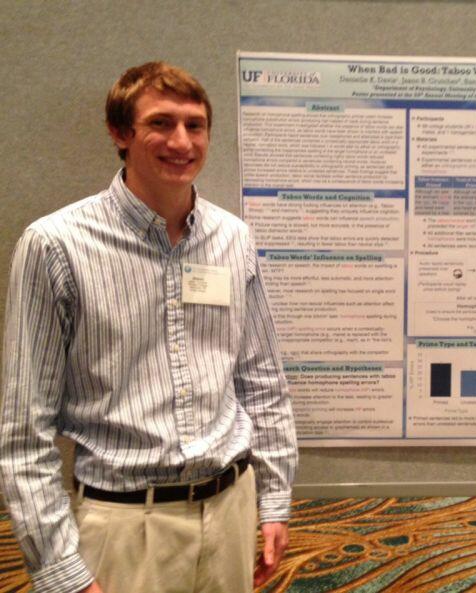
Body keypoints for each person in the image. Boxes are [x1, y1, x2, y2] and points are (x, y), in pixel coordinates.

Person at [0, 62, 298, 593]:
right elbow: (25, 430)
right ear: (121, 133)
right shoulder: (55, 246)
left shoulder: (233, 238)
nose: (181, 141)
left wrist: (273, 498)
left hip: (231, 508)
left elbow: (261, 381)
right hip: (124, 526)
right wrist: (60, 569)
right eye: (160, 123)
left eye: (195, 124)